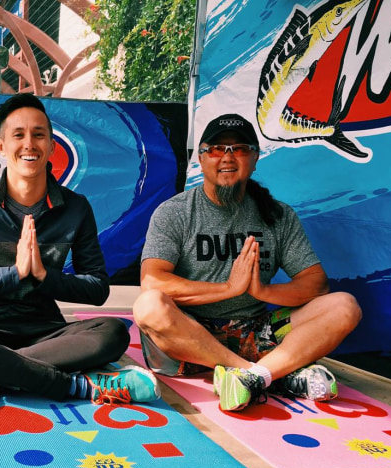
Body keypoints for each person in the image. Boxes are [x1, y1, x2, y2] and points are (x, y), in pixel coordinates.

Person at [0, 93, 159, 406]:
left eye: (39, 135)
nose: (29, 144)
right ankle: (76, 387)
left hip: (48, 333)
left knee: (113, 332)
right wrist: (14, 274)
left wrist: (41, 276)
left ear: (52, 145)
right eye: (18, 135)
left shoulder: (75, 208)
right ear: (1, 147)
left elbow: (97, 289)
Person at [132, 113, 362, 412]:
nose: (227, 157)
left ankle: (252, 377)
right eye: (216, 149)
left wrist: (262, 292)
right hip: (190, 337)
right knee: (148, 305)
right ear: (200, 159)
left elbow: (316, 284)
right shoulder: (174, 213)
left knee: (344, 306)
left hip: (256, 333)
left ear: (254, 159)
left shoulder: (277, 215)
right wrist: (228, 288)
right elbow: (153, 281)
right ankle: (267, 374)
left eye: (239, 148)